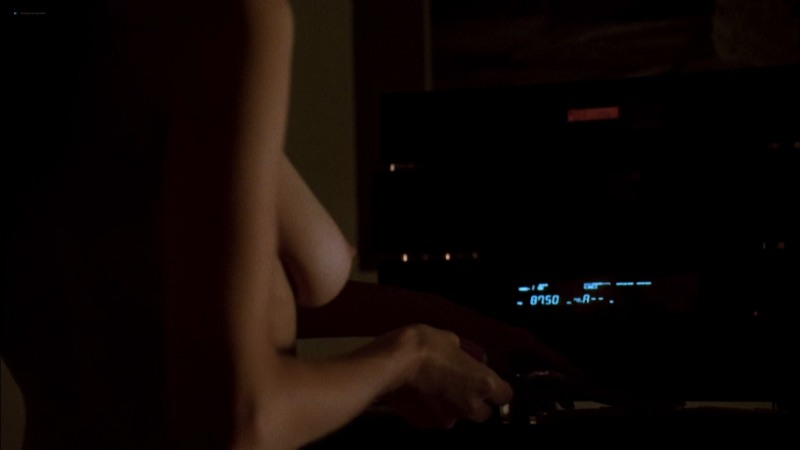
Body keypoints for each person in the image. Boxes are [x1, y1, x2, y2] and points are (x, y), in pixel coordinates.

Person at [4, 1, 574, 449]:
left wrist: (459, 322)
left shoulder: (73, 32)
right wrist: (410, 358)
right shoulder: (227, 19)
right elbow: (240, 421)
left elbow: (153, 297)